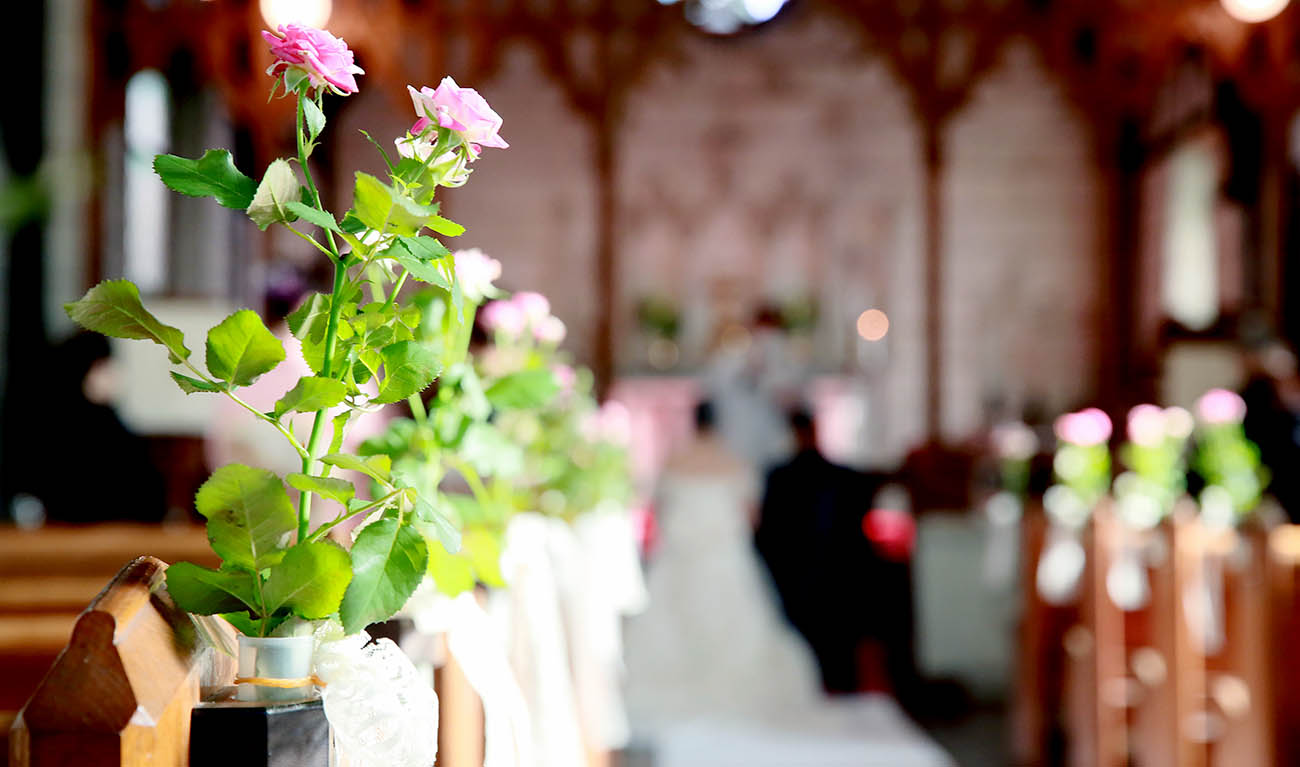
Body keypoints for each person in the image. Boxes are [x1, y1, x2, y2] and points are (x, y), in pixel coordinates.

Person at [623, 402, 953, 767]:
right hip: (726, 566)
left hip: (680, 568)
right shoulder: (734, 462)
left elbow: (660, 515)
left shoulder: (674, 463)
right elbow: (751, 520)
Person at [757, 408, 879, 693]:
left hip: (800, 584)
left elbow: (768, 535)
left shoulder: (781, 478)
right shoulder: (846, 478)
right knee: (838, 662)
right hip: (836, 584)